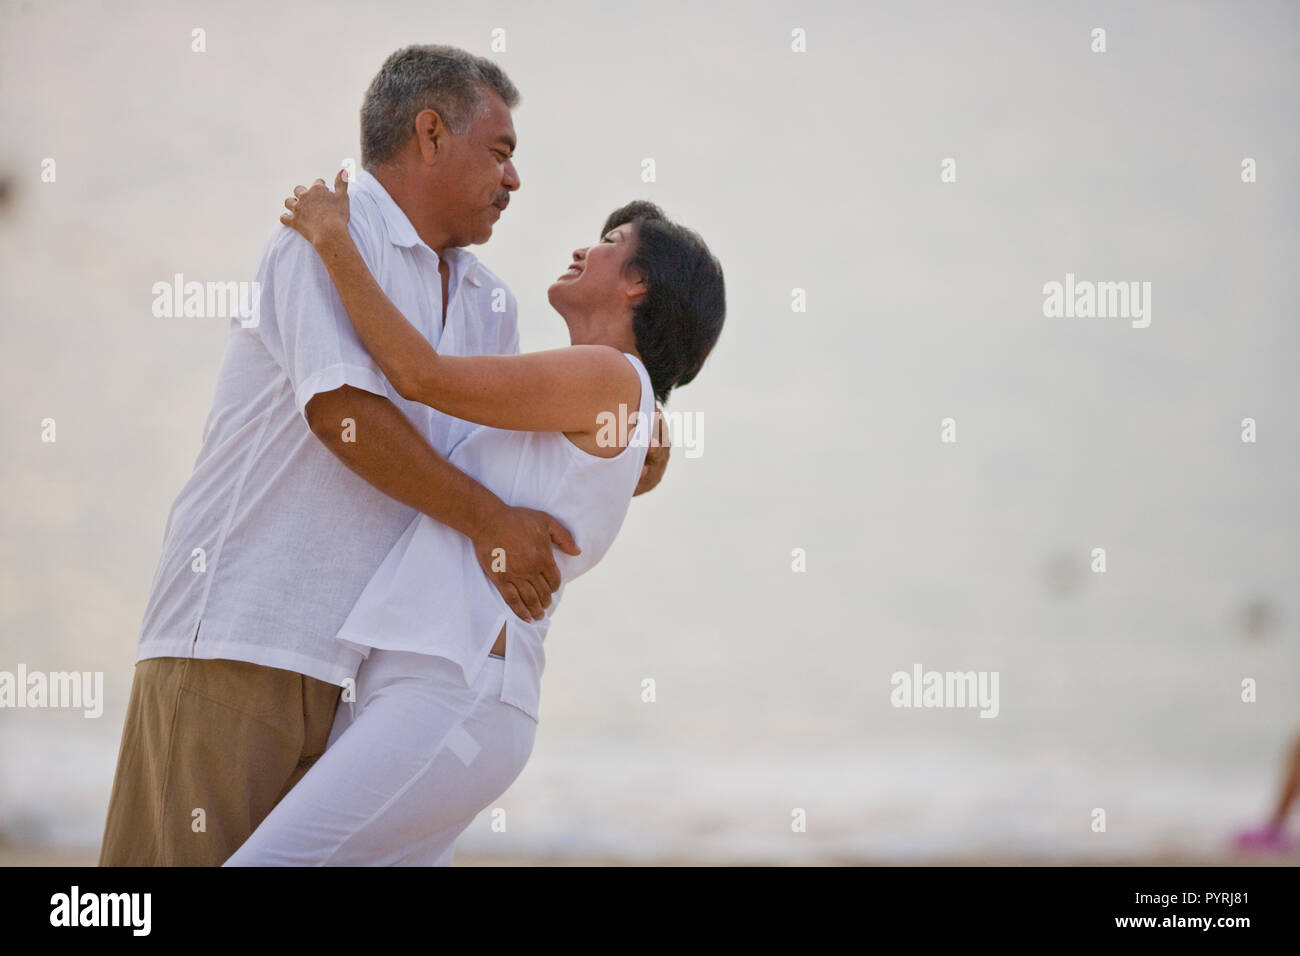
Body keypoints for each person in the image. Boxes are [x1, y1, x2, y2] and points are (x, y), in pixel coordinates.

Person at [98, 44, 668, 867]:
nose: (515, 182)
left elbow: (517, 444)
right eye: (500, 153)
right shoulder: (323, 232)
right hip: (241, 637)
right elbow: (345, 418)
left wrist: (643, 432)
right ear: (430, 134)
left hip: (356, 680)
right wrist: (490, 523)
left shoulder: (489, 303)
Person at [223, 174, 724, 865]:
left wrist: (333, 238)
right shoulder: (615, 404)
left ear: (638, 284)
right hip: (441, 693)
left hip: (452, 695)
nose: (584, 249)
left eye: (609, 243)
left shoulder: (609, 380)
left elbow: (419, 375)